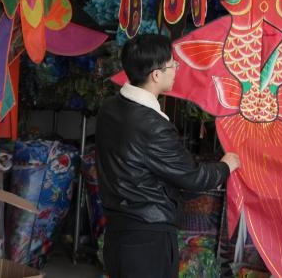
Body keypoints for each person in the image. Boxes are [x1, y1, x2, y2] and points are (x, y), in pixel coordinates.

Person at [96, 34, 240, 278]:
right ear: (156, 75)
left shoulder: (109, 109)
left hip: (118, 231)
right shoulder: (152, 125)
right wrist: (225, 166)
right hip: (147, 237)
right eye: (173, 65)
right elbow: (192, 177)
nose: (176, 71)